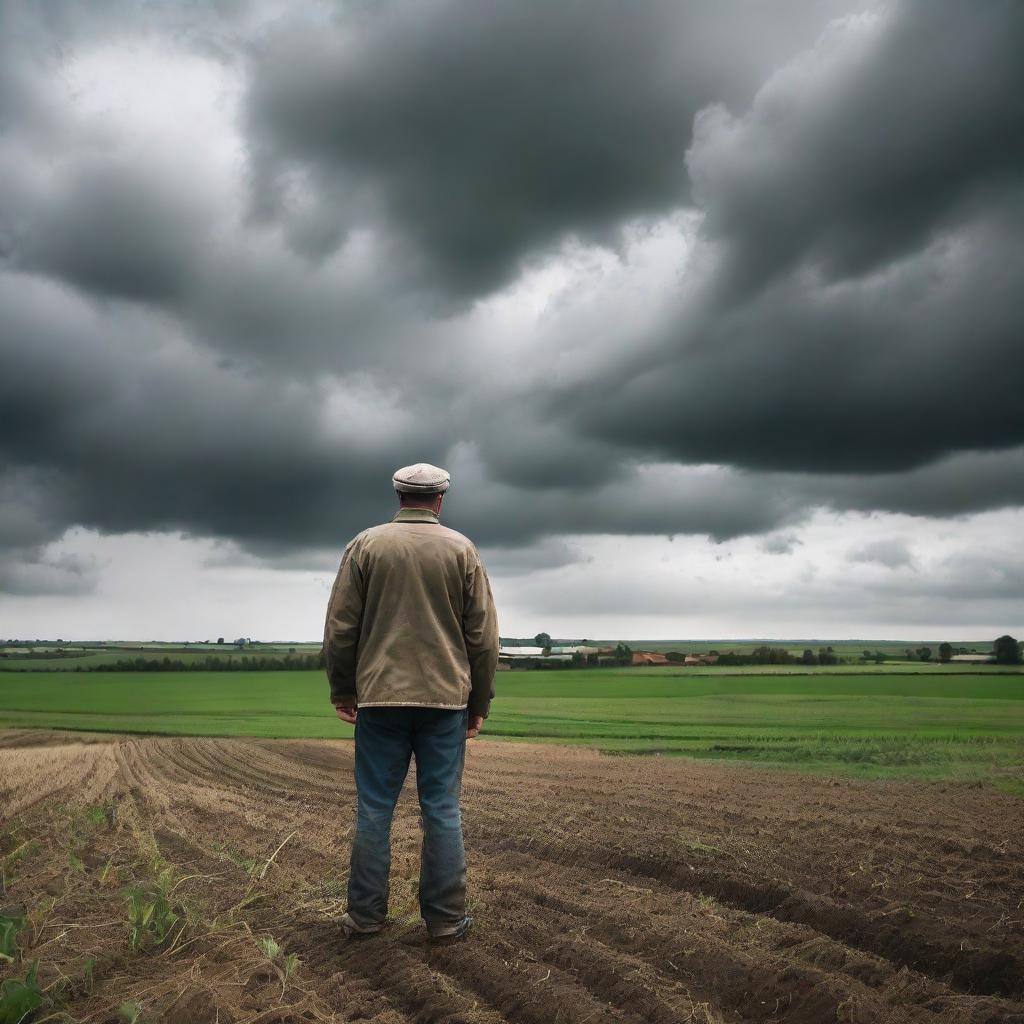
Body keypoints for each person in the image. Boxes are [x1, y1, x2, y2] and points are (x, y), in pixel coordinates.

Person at [323, 462, 499, 942]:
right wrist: (478, 701)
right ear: (439, 500)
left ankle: (364, 917)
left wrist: (343, 689)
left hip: (379, 700)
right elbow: (482, 637)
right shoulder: (462, 549)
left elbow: (341, 629)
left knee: (375, 808)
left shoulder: (365, 546)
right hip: (446, 702)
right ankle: (444, 921)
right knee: (441, 808)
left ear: (399, 497)